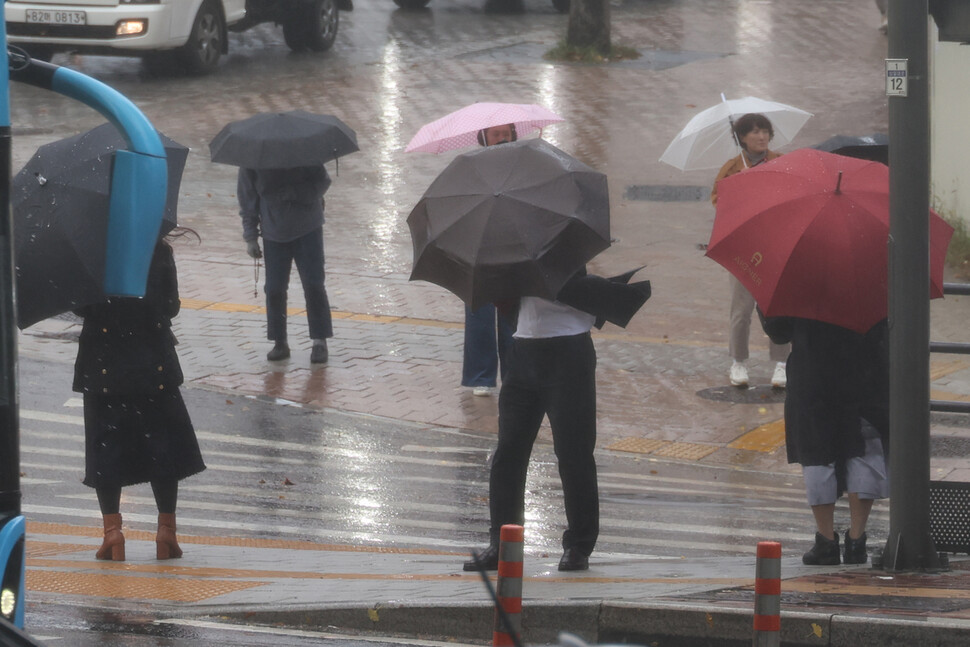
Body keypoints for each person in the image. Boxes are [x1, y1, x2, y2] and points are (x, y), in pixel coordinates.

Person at [464, 270, 651, 572]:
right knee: (508, 453)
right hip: (523, 349)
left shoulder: (562, 237)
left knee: (573, 453)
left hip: (569, 351)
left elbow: (572, 284)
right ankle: (503, 543)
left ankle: (579, 545)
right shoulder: (515, 244)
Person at [73, 231, 206, 561]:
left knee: (106, 445)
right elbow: (171, 306)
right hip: (152, 364)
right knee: (162, 443)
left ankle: (113, 534)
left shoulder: (93, 246)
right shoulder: (156, 248)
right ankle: (166, 532)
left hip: (104, 365)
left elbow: (81, 306)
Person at [760, 314, 889, 565]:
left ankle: (826, 542)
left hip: (813, 372)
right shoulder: (873, 276)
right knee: (863, 450)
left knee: (816, 452)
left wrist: (764, 308)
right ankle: (857, 541)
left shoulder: (798, 278)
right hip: (865, 370)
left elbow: (779, 331)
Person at [711, 113, 789, 389]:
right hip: (743, 248)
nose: (761, 137)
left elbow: (790, 196)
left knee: (778, 307)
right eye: (755, 132)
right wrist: (740, 185)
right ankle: (738, 361)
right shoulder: (732, 168)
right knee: (741, 309)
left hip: (775, 246)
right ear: (742, 137)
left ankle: (782, 364)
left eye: (765, 131)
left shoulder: (781, 162)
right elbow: (718, 201)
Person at [238, 164, 333, 364]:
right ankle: (279, 341)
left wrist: (295, 192)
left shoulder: (304, 150)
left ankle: (319, 341)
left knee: (314, 285)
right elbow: (248, 198)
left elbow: (323, 181)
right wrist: (251, 237)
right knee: (274, 289)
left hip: (309, 229)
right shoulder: (253, 157)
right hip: (273, 233)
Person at [461, 123, 518, 396]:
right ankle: (481, 376)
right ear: (483, 136)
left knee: (512, 312)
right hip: (479, 246)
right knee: (479, 312)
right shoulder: (470, 166)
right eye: (496, 134)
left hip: (511, 246)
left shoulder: (522, 164)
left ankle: (514, 371)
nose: (502, 138)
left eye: (507, 133)